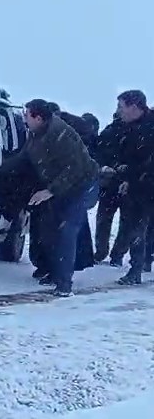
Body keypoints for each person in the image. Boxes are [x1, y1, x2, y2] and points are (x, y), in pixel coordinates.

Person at [22, 99, 100, 296]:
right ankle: (55, 271)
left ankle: (64, 284)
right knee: (50, 229)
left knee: (66, 231)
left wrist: (49, 191)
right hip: (60, 187)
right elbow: (29, 158)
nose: (24, 117)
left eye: (27, 114)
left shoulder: (60, 134)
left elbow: (74, 169)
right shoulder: (36, 132)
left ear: (38, 117)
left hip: (81, 186)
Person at [110, 90, 154, 284]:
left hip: (147, 184)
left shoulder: (149, 128)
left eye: (122, 107)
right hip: (138, 187)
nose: (119, 111)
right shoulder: (127, 126)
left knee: (140, 227)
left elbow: (147, 161)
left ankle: (141, 265)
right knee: (135, 227)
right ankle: (137, 268)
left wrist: (130, 172)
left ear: (134, 107)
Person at [93, 111, 130, 265]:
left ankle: (111, 253)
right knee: (112, 221)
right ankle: (110, 253)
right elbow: (99, 153)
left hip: (124, 183)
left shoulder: (137, 131)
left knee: (115, 221)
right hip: (113, 183)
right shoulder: (110, 131)